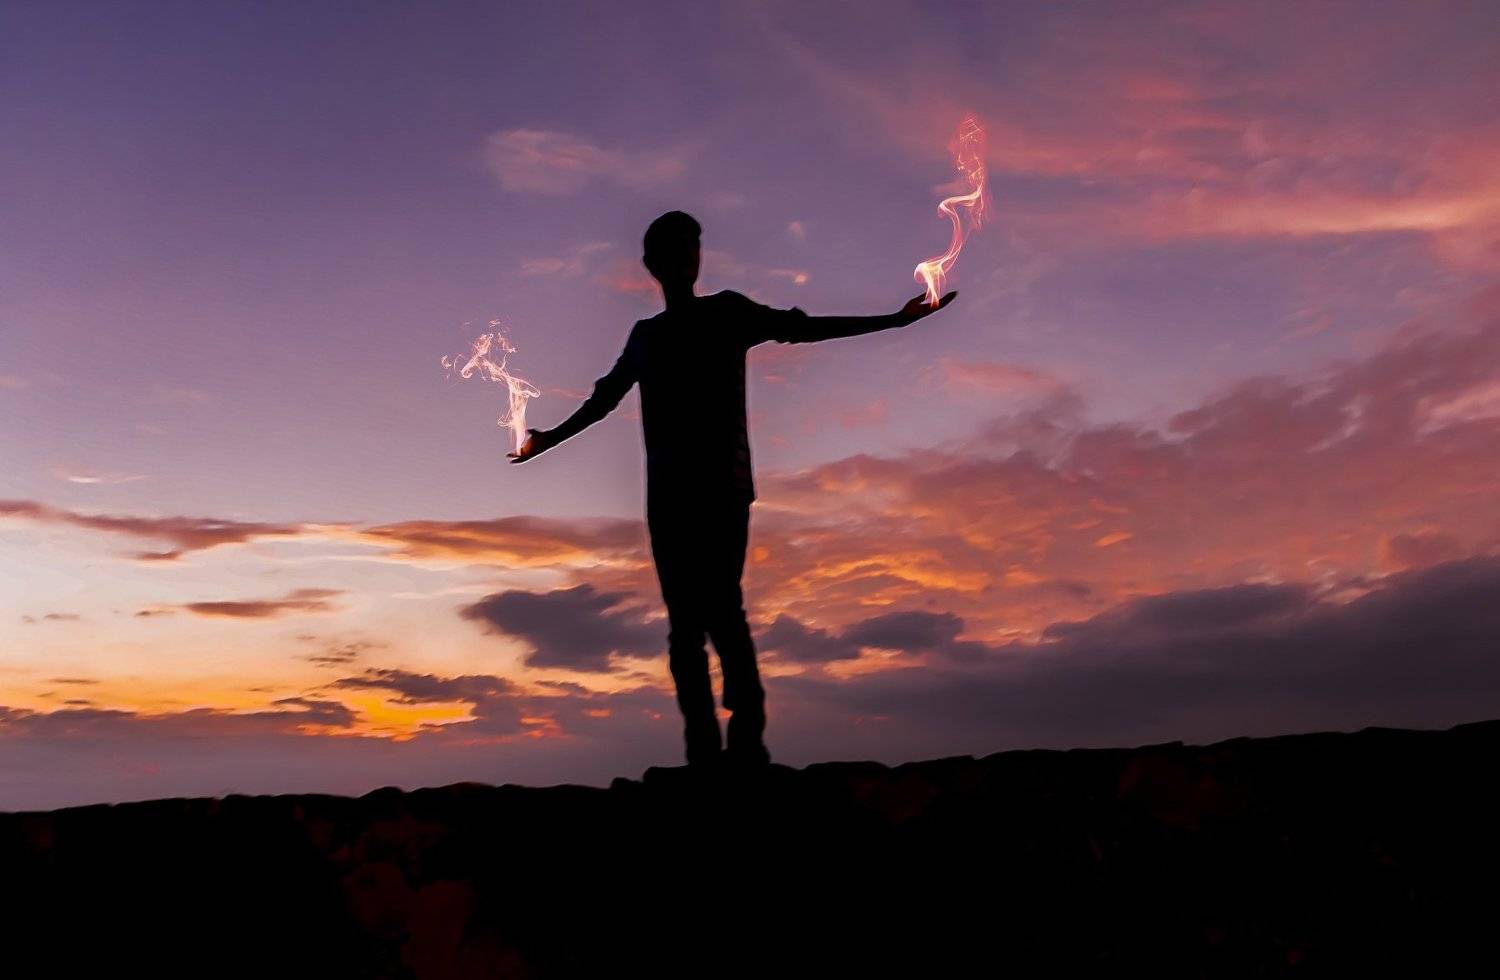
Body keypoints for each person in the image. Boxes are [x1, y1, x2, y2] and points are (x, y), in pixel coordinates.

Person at [508, 210, 956, 768]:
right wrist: (548, 440)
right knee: (685, 627)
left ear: (696, 258)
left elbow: (804, 327)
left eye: (690, 247)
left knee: (720, 610)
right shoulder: (647, 337)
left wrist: (894, 320)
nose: (685, 258)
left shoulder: (727, 313)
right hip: (668, 497)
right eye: (675, 249)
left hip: (722, 487)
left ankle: (746, 746)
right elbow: (603, 401)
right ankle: (703, 751)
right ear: (653, 264)